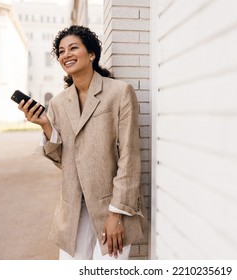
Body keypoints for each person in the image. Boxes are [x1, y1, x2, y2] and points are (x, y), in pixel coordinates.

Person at [18, 25, 147, 260]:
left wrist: (116, 214)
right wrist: (46, 125)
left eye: (73, 48)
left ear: (91, 54)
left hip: (112, 205)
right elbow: (64, 161)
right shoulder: (58, 103)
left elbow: (130, 156)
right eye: (61, 51)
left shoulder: (120, 92)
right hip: (73, 208)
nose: (66, 54)